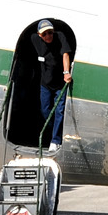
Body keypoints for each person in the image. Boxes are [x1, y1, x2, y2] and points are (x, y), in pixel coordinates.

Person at [33, 19, 72, 149]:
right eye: (44, 34)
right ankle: (50, 130)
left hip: (60, 84)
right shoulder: (35, 39)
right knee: (45, 111)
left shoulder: (60, 37)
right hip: (45, 83)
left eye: (50, 33)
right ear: (39, 35)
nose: (48, 36)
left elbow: (65, 54)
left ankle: (55, 141)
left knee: (59, 111)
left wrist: (66, 72)